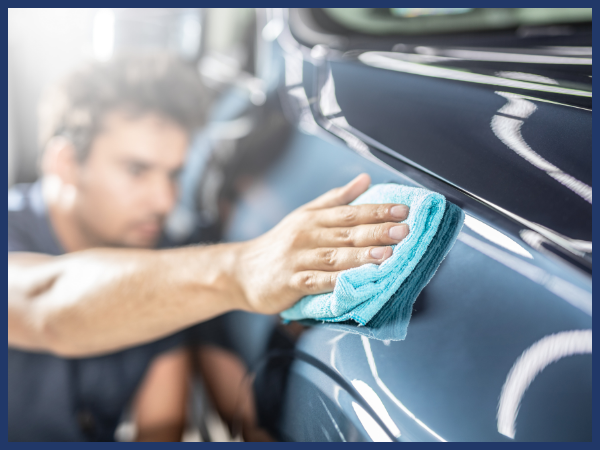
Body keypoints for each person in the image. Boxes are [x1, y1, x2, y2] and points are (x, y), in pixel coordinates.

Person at [7, 52, 411, 441]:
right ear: (65, 163)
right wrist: (242, 269)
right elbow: (46, 306)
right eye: (137, 169)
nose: (165, 201)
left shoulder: (160, 259)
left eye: (174, 174)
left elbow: (160, 428)